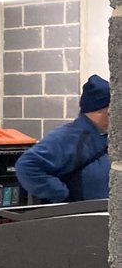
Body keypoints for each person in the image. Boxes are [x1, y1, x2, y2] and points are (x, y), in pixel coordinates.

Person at [14, 74, 110, 203]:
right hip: (81, 219)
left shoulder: (105, 136)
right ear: (100, 111)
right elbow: (26, 166)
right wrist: (62, 195)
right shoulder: (68, 136)